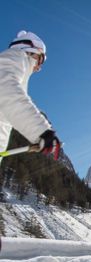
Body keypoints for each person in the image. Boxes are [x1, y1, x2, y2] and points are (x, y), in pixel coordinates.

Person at [0, 30, 61, 163]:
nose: (39, 67)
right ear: (30, 51)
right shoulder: (16, 56)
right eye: (41, 59)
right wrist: (40, 131)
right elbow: (5, 90)